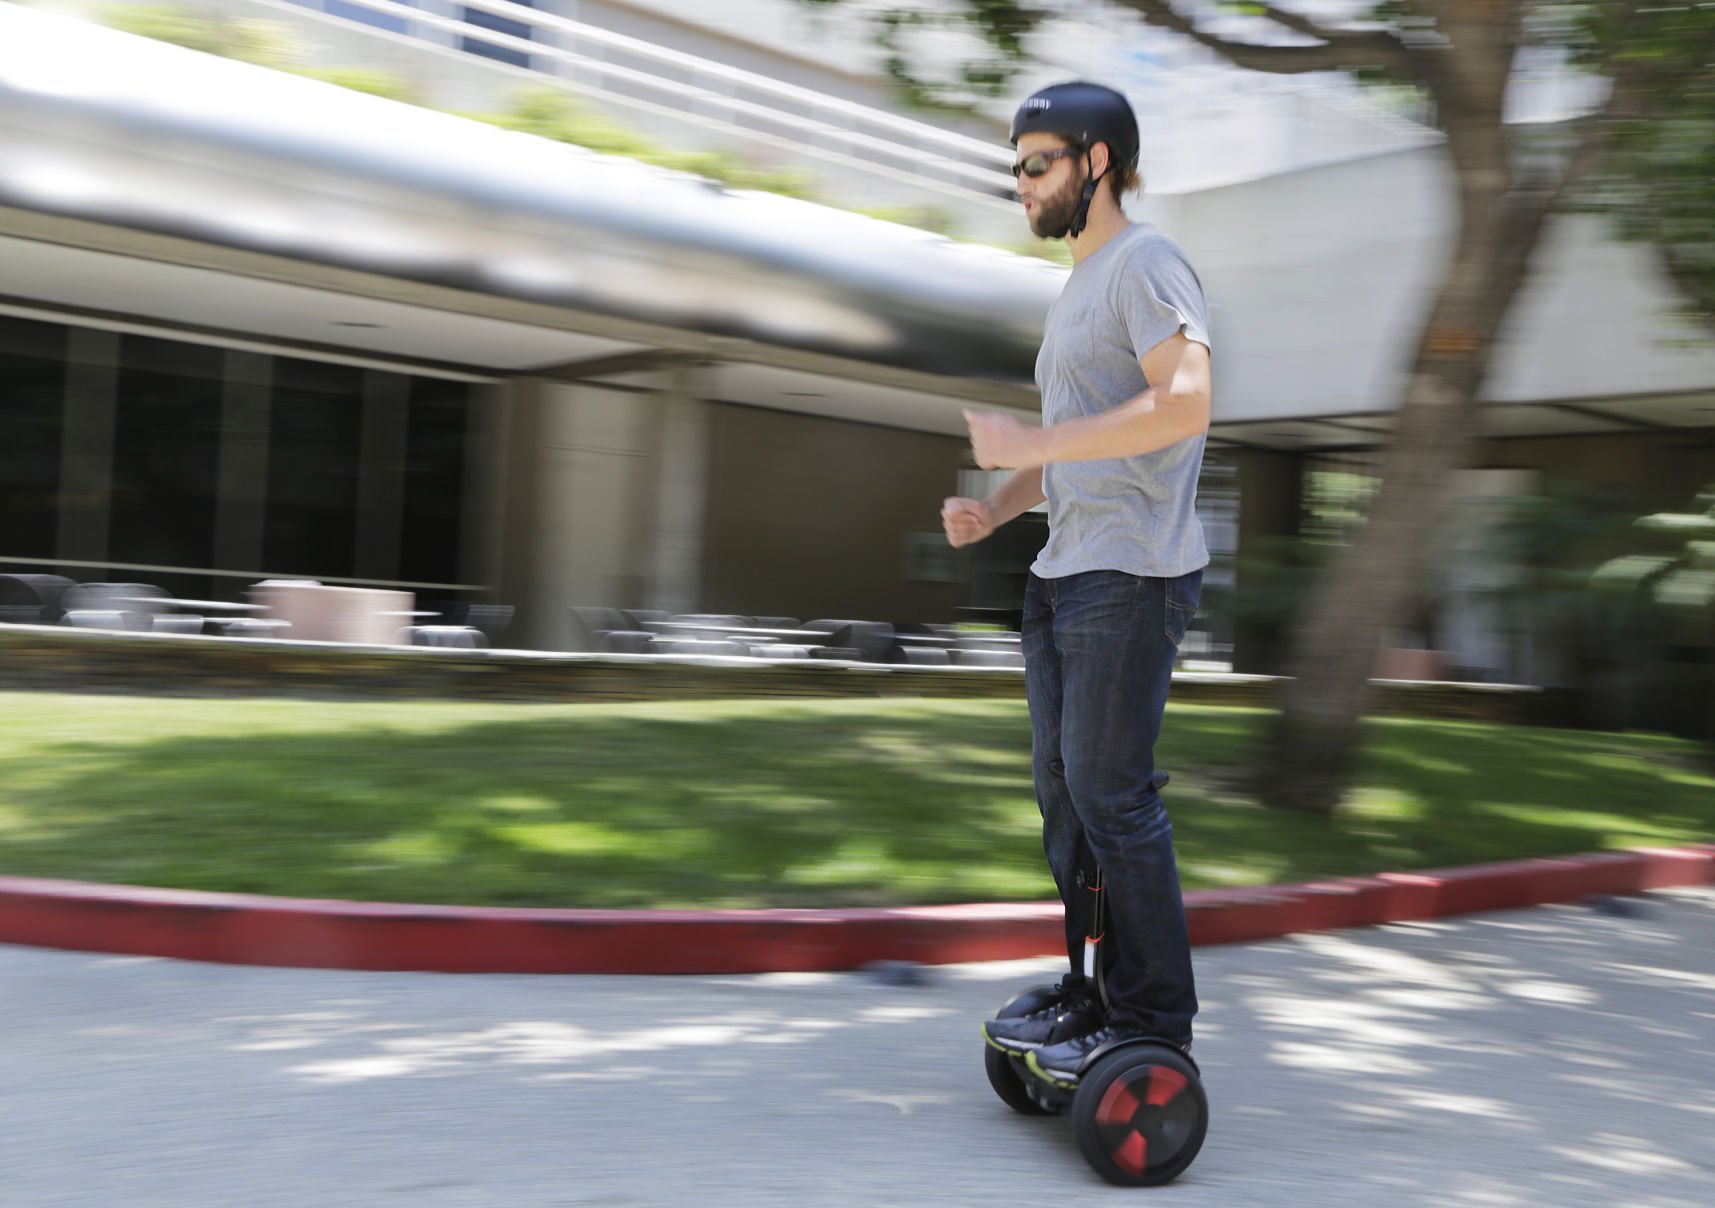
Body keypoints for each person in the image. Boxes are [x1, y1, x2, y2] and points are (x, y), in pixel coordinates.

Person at [949, 81, 1212, 1090]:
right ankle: (1092, 989)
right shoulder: (1078, 288)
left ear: (1095, 161)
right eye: (1014, 166)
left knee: (1112, 789)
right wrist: (999, 502)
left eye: (1035, 163)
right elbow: (1069, 447)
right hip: (1064, 567)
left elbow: (1182, 401)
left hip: (1129, 571)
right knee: (1065, 795)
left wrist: (1039, 442)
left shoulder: (1145, 261)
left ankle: (1153, 1017)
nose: (1018, 183)